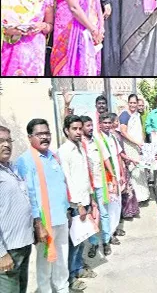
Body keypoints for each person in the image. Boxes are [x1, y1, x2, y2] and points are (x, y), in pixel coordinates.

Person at [15, 119, 70, 293]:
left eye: (47, 133)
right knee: (45, 260)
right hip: (44, 221)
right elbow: (27, 195)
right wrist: (37, 223)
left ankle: (62, 287)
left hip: (60, 216)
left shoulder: (52, 156)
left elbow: (61, 184)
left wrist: (67, 208)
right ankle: (45, 290)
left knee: (62, 256)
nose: (45, 137)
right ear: (30, 137)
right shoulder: (25, 161)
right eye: (40, 134)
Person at [58, 115, 97, 291]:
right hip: (76, 205)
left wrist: (91, 199)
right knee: (74, 242)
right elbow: (67, 180)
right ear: (67, 130)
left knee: (82, 238)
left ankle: (79, 268)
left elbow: (84, 176)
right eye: (75, 129)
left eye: (80, 128)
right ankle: (71, 277)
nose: (79, 132)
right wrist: (79, 204)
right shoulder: (64, 151)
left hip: (85, 199)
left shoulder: (80, 147)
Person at [1, 0, 54, 76]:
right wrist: (10, 30)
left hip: (34, 52)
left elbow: (50, 25)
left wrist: (41, 26)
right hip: (10, 48)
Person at [0, 126, 34, 293]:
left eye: (8, 140)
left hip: (23, 244)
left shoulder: (12, 168)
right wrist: (1, 254)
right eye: (1, 141)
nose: (6, 145)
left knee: (21, 288)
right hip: (7, 250)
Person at [80, 116, 113, 259]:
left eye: (91, 125)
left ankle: (106, 241)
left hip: (100, 184)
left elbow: (106, 159)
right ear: (81, 128)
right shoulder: (79, 145)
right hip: (86, 187)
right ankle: (94, 243)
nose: (91, 128)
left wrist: (113, 177)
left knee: (104, 213)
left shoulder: (97, 142)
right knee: (91, 216)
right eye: (88, 126)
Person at [97, 113, 126, 241]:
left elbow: (118, 156)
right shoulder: (98, 139)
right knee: (110, 206)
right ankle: (109, 235)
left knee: (118, 204)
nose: (108, 125)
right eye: (105, 123)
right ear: (100, 124)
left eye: (109, 123)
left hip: (117, 175)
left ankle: (113, 229)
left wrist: (122, 173)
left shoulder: (113, 137)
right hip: (108, 177)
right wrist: (113, 176)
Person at [119, 94, 149, 203]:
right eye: (130, 103)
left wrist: (142, 143)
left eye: (134, 103)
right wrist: (136, 142)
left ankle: (143, 196)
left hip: (138, 146)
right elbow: (123, 132)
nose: (132, 105)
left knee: (140, 169)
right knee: (133, 169)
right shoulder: (124, 115)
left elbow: (140, 130)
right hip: (129, 146)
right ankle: (134, 199)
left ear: (137, 103)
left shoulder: (137, 115)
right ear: (128, 103)